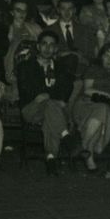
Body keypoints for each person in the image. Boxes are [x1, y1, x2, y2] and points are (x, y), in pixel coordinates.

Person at [16, 29, 81, 175]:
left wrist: (46, 95)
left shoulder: (61, 68)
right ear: (38, 47)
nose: (47, 48)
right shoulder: (26, 66)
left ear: (56, 48)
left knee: (50, 113)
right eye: (44, 44)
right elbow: (28, 90)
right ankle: (65, 136)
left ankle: (51, 158)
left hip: (51, 109)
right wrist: (51, 96)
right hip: (30, 109)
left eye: (52, 45)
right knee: (52, 106)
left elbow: (66, 89)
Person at [70, 42, 110, 172]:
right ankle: (89, 159)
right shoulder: (93, 69)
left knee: (103, 110)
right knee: (102, 109)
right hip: (86, 104)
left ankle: (84, 148)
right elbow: (88, 90)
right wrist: (109, 96)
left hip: (107, 110)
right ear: (101, 57)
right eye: (107, 55)